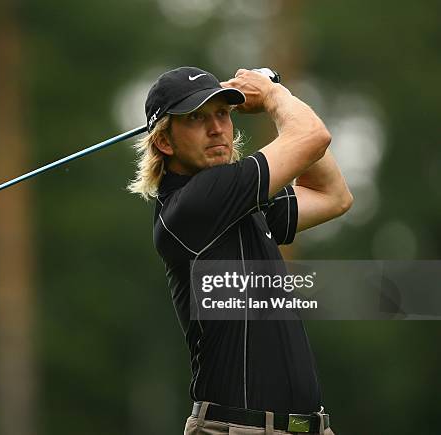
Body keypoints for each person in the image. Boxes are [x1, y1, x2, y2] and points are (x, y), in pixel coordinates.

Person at [128, 66, 353, 435]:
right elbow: (313, 136)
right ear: (165, 143)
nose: (217, 128)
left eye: (222, 113)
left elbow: (334, 196)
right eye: (197, 118)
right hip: (237, 429)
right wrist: (273, 97)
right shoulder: (196, 204)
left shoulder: (237, 201)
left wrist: (274, 95)